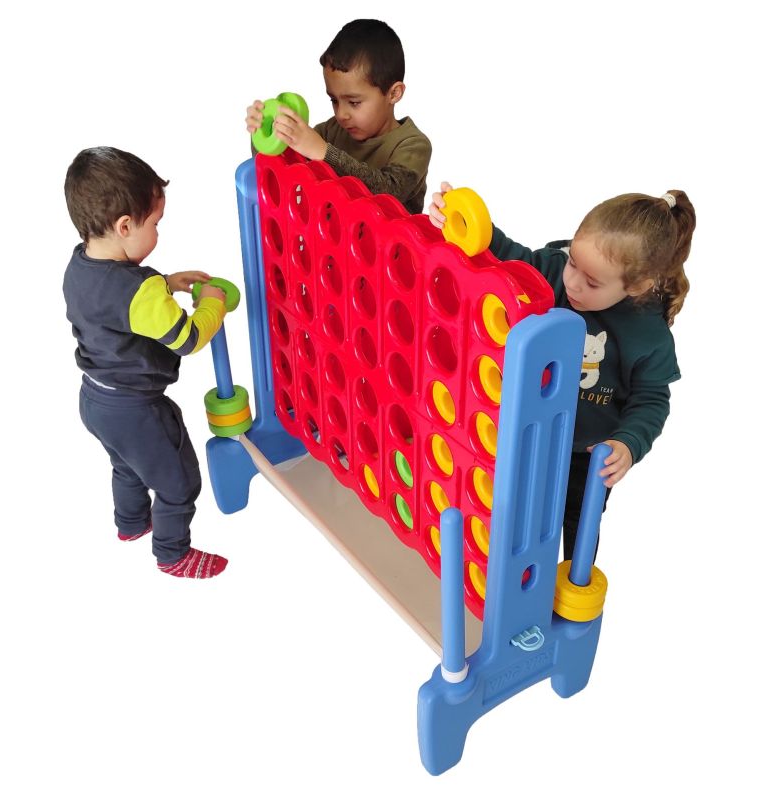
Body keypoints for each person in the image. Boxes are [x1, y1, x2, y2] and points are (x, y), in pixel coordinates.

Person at [429, 183, 696, 561]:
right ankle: (509, 571)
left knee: (578, 520)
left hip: (585, 454)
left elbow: (651, 399)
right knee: (511, 508)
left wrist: (628, 442)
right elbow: (509, 258)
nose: (572, 282)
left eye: (592, 282)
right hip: (527, 434)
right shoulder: (554, 270)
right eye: (573, 263)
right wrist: (468, 224)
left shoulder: (648, 336)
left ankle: (571, 583)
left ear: (637, 286)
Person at [63, 146, 229, 579]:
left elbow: (114, 304)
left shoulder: (79, 265)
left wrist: (166, 283)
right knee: (179, 482)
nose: (158, 232)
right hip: (136, 409)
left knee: (126, 464)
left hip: (95, 401)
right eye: (155, 223)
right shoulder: (141, 294)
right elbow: (187, 338)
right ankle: (173, 554)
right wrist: (213, 304)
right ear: (124, 226)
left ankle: (131, 523)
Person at [246, 19, 432, 214]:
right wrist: (266, 135)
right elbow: (281, 176)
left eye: (354, 102)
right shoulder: (331, 131)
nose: (341, 114)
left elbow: (389, 193)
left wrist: (324, 152)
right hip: (329, 233)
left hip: (389, 235)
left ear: (393, 94)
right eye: (334, 100)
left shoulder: (413, 145)